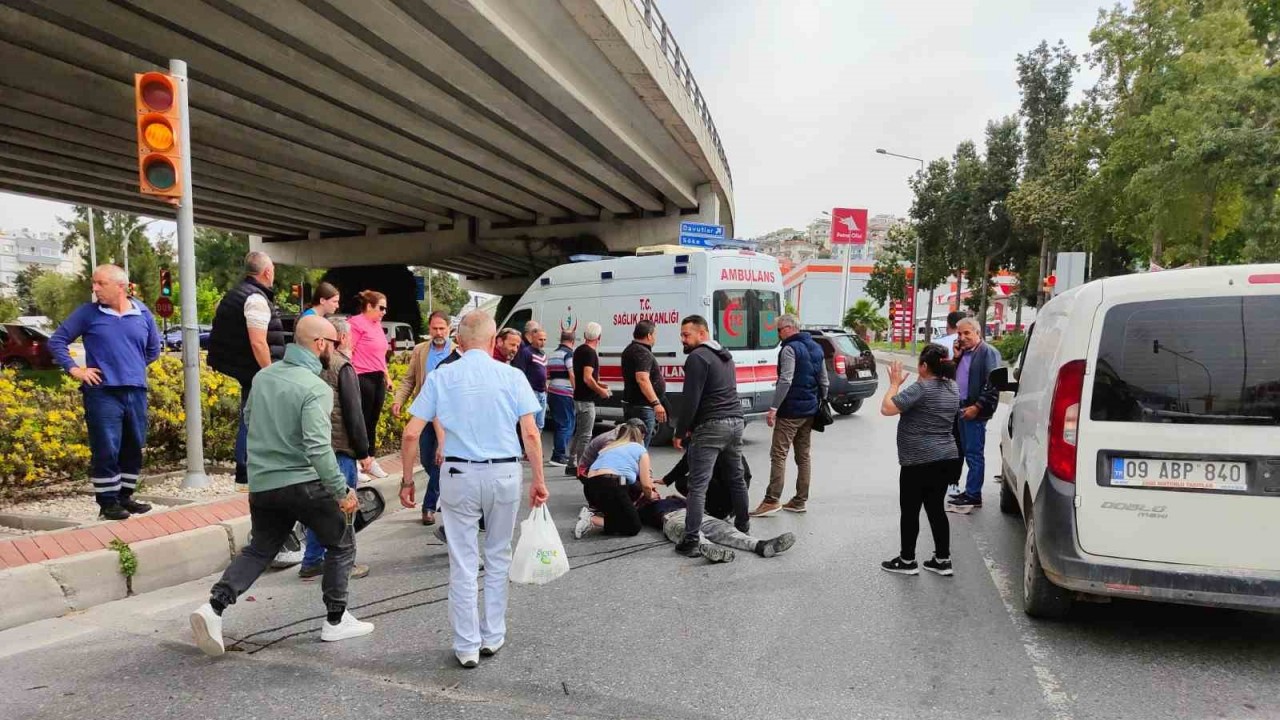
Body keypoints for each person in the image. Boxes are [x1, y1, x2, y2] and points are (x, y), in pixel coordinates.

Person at [190, 316, 373, 657]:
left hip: (264, 485)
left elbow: (248, 420)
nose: (334, 351)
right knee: (342, 543)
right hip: (304, 483)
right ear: (320, 344)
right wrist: (341, 491)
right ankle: (336, 620)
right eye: (333, 345)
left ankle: (214, 608)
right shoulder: (315, 387)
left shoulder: (263, 377)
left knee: (260, 549)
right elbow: (318, 448)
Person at [397, 311, 549, 669]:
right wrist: (539, 479)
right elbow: (530, 433)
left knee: (463, 562)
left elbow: (410, 433)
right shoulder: (512, 376)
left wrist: (406, 480)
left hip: (458, 474)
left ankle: (466, 645)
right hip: (504, 474)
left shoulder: (442, 376)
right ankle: (493, 635)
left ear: (459, 342)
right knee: (498, 556)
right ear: (495, 341)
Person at [47, 264, 162, 520]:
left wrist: (131, 366)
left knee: (134, 446)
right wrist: (76, 370)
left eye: (100, 283)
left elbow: (154, 349)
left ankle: (124, 496)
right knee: (106, 448)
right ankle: (107, 502)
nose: (95, 288)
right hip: (102, 393)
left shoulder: (142, 312)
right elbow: (56, 341)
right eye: (94, 283)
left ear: (120, 286)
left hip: (135, 391)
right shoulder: (88, 313)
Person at [298, 317, 373, 580]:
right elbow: (354, 414)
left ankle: (311, 561)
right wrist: (363, 451)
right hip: (340, 449)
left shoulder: (305, 367)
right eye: (349, 335)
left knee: (321, 509)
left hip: (313, 449)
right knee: (344, 509)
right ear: (340, 338)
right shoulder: (343, 366)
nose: (351, 340)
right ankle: (344, 563)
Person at [878, 345, 961, 576]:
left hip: (918, 460)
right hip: (946, 457)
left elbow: (887, 408)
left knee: (911, 510)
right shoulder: (953, 387)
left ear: (924, 366)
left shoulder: (921, 388)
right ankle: (942, 560)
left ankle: (907, 561)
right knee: (936, 509)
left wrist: (894, 383)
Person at [672, 315, 750, 557]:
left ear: (702, 334)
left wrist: (680, 430)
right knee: (736, 478)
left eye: (687, 335)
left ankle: (692, 539)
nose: (682, 339)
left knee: (697, 485)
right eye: (682, 335)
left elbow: (690, 399)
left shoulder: (697, 357)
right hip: (736, 422)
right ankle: (743, 526)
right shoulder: (725, 356)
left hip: (712, 424)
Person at [208, 251, 287, 488]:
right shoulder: (255, 299)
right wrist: (270, 373)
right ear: (267, 272)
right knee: (252, 418)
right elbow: (258, 342)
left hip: (242, 366)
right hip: (254, 369)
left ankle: (249, 468)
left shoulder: (236, 293)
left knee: (251, 415)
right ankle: (246, 470)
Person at [752, 314, 827, 517]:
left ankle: (771, 500)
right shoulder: (816, 347)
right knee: (803, 456)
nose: (778, 334)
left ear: (787, 328)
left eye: (778, 330)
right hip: (810, 411)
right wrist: (819, 401)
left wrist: (774, 408)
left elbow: (786, 380)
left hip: (790, 411)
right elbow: (824, 381)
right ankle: (800, 500)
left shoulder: (789, 349)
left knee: (778, 455)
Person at [391, 311, 453, 525]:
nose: (438, 332)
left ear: (449, 328)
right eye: (434, 328)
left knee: (439, 460)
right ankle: (445, 491)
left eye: (442, 328)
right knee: (428, 459)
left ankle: (428, 506)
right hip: (425, 412)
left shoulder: (457, 350)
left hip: (448, 415)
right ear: (429, 329)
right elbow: (409, 380)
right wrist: (399, 400)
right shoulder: (420, 350)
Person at [637, 495, 797, 563]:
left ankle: (760, 545)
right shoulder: (645, 507)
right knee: (691, 533)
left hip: (697, 514)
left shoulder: (672, 498)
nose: (653, 490)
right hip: (671, 519)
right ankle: (710, 549)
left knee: (727, 530)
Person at [948, 317, 1002, 510]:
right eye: (959, 334)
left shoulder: (988, 353)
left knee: (974, 454)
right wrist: (955, 357)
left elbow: (993, 385)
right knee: (964, 451)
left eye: (967, 333)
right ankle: (969, 491)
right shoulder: (964, 353)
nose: (962, 337)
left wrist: (977, 407)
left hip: (974, 411)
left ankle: (973, 495)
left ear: (978, 333)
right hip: (961, 408)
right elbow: (952, 376)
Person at [573, 423, 658, 539]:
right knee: (633, 527)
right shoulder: (640, 449)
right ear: (639, 437)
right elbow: (646, 484)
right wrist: (650, 495)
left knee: (626, 484)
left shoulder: (609, 447)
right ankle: (592, 520)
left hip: (590, 486)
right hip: (612, 484)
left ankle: (607, 517)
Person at [348, 290, 392, 479]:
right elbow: (348, 351)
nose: (384, 312)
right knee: (360, 421)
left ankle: (370, 460)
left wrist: (387, 376)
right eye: (381, 308)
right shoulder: (355, 323)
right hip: (361, 376)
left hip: (377, 377)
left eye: (385, 308)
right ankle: (357, 463)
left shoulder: (377, 325)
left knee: (372, 421)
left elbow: (380, 354)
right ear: (369, 306)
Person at [567, 322, 610, 474]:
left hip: (578, 396)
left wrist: (598, 383)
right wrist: (600, 391)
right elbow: (587, 378)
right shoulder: (590, 353)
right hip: (586, 400)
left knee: (579, 433)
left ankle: (571, 463)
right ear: (599, 337)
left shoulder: (578, 350)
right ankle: (582, 467)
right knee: (585, 435)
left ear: (585, 335)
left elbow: (582, 376)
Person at [621, 320, 667, 447]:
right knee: (640, 447)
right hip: (643, 407)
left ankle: (637, 466)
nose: (655, 337)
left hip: (633, 404)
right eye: (655, 334)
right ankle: (640, 467)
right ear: (649, 335)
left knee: (633, 444)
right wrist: (656, 403)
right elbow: (642, 379)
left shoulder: (629, 349)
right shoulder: (642, 352)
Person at [545, 330, 576, 466]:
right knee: (567, 424)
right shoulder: (568, 354)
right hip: (564, 393)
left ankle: (557, 452)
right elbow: (572, 373)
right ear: (573, 341)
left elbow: (547, 374)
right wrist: (577, 390)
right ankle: (559, 456)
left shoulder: (552, 354)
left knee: (559, 424)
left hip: (552, 391)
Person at [511, 321, 548, 431]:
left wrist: (546, 387)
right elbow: (521, 371)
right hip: (532, 392)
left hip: (542, 393)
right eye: (540, 339)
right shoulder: (526, 352)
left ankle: (536, 446)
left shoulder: (543, 354)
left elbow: (544, 372)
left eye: (544, 340)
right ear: (533, 338)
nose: (543, 342)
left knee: (540, 424)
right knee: (531, 425)